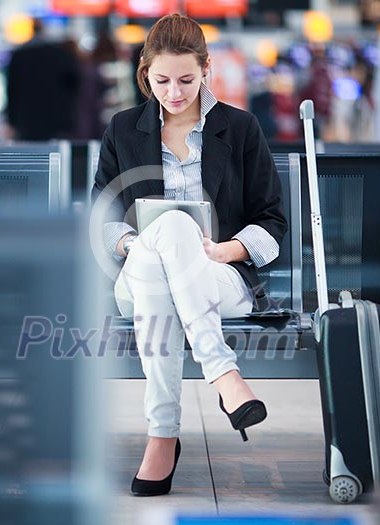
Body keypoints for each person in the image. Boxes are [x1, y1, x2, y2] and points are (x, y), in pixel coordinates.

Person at [92, 14, 287, 497]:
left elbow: (273, 224)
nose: (174, 92)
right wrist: (139, 247)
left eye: (186, 79)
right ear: (145, 73)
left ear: (207, 70)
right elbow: (102, 222)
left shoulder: (240, 129)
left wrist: (224, 249)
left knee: (173, 237)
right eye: (162, 80)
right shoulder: (122, 129)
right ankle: (223, 375)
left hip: (218, 275)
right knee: (168, 232)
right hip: (138, 275)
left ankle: (162, 436)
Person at [5, 18, 81, 141]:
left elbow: (11, 89)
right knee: (57, 154)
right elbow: (75, 83)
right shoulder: (60, 54)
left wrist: (11, 118)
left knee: (30, 154)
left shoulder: (19, 56)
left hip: (26, 116)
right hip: (56, 114)